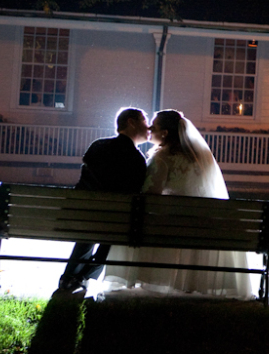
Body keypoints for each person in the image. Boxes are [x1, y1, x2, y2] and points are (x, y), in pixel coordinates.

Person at [104, 109, 254, 299]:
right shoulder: (200, 157)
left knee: (135, 223)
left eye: (154, 126)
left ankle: (137, 276)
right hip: (203, 225)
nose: (149, 129)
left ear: (164, 133)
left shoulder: (162, 158)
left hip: (174, 225)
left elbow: (150, 195)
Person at [57, 107, 148, 292]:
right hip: (114, 220)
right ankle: (83, 278)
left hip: (85, 214)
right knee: (111, 236)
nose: (149, 127)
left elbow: (85, 182)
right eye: (145, 122)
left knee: (89, 231)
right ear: (131, 122)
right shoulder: (136, 158)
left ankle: (69, 278)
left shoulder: (98, 146)